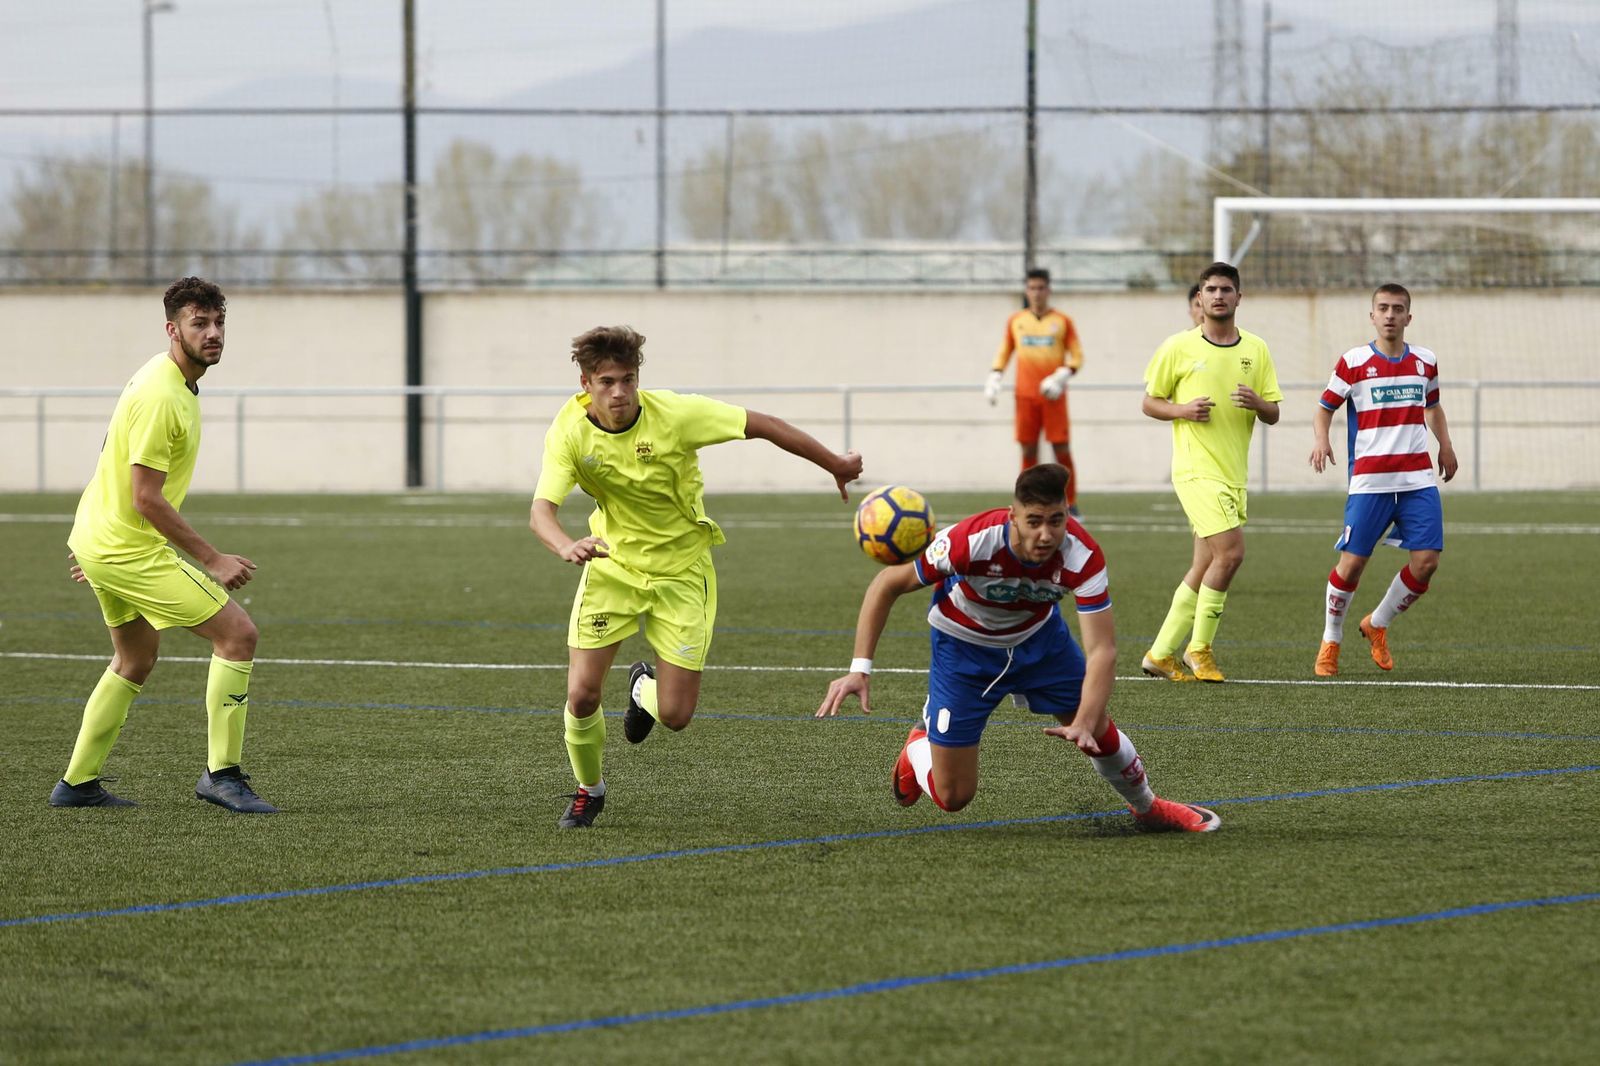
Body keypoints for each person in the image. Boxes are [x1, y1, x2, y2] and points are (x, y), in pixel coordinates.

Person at [532, 325, 864, 829]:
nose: (619, 392)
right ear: (585, 383)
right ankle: (589, 790)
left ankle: (643, 688)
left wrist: (834, 463)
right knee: (581, 694)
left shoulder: (675, 415)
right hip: (612, 568)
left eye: (627, 379)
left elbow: (763, 424)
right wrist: (564, 544)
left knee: (677, 716)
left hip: (684, 573)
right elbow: (541, 511)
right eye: (606, 382)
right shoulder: (569, 432)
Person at [816, 464, 1218, 833]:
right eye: (1034, 522)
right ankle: (918, 750)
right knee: (954, 797)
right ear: (1013, 517)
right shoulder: (968, 540)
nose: (1046, 534)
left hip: (1039, 642)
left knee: (1097, 727)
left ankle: (1150, 808)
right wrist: (859, 668)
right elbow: (887, 585)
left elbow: (1102, 651)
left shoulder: (1083, 555)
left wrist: (1085, 719)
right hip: (964, 651)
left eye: (1057, 521)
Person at [51, 277, 275, 814]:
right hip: (125, 546)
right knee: (238, 635)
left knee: (134, 658)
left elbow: (111, 460)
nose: (213, 333)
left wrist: (95, 547)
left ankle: (77, 784)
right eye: (200, 323)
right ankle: (222, 775)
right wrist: (213, 559)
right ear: (173, 329)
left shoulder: (165, 377)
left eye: (219, 322)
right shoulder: (160, 394)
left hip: (104, 542)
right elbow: (147, 498)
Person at [1139, 262, 1282, 683]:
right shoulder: (1178, 347)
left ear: (1239, 297)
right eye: (1210, 289)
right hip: (1195, 471)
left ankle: (1161, 653)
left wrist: (1258, 403)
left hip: (1233, 474)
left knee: (1204, 564)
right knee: (1232, 553)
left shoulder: (1256, 349)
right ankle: (1199, 649)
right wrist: (1182, 410)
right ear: (1198, 299)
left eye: (1225, 289)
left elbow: (1274, 412)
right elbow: (1149, 402)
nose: (1218, 296)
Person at [1309, 283, 1457, 676]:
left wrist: (1445, 445)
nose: (1390, 315)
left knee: (1426, 562)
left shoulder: (1425, 361)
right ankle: (1332, 638)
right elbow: (1325, 409)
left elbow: (1434, 406)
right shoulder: (1353, 361)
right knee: (1352, 565)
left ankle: (1377, 624)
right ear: (1372, 315)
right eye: (1383, 308)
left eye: (1398, 309)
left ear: (1409, 317)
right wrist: (1321, 440)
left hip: (1417, 480)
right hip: (1370, 482)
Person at [984, 268, 1084, 513]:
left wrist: (1062, 375)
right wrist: (995, 374)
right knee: (1028, 448)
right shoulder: (1016, 321)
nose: (1036, 293)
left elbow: (1077, 355)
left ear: (1048, 290)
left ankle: (1070, 503)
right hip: (1025, 396)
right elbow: (1005, 350)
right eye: (1032, 288)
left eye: (1041, 288)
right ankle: (1027, 500)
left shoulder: (1062, 321)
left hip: (1053, 396)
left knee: (1061, 448)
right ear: (1026, 291)